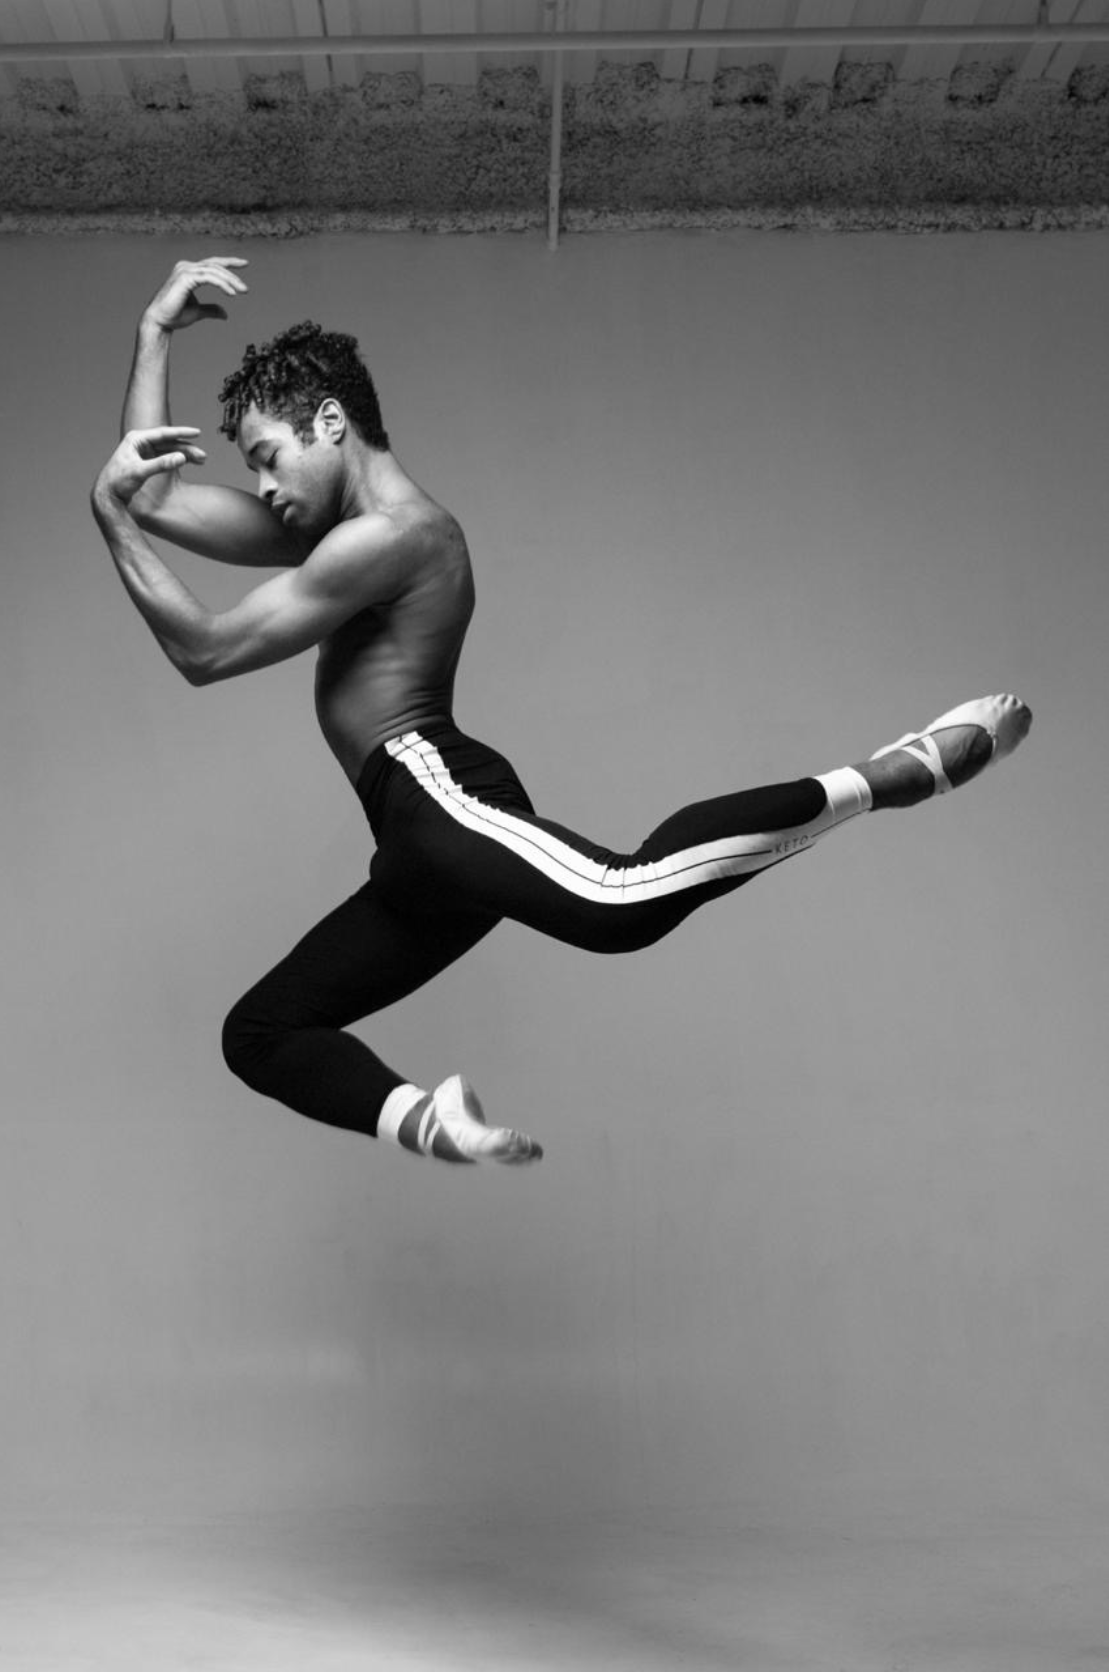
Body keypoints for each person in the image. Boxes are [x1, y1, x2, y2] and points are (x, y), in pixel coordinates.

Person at [91, 256, 1032, 1168]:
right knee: (261, 1031)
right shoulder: (334, 533)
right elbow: (155, 491)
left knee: (623, 903)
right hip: (411, 840)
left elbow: (204, 650)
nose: (261, 486)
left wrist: (108, 515)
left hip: (438, 793)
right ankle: (428, 1123)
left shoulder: (394, 537)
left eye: (267, 459)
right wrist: (154, 332)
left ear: (330, 423)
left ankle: (883, 776)